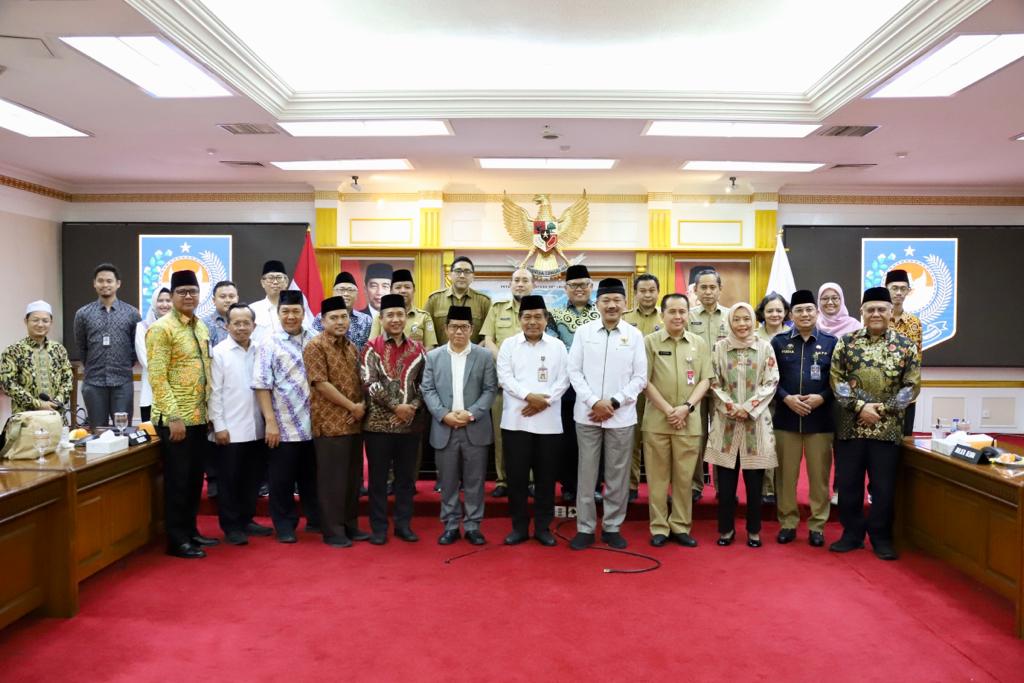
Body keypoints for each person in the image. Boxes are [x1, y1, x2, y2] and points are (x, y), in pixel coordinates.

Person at [829, 287, 920, 561]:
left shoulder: (906, 346)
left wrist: (881, 410)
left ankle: (881, 537)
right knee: (848, 485)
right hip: (850, 427)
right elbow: (836, 380)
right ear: (862, 312)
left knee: (883, 487)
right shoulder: (846, 342)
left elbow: (911, 386)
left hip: (887, 429)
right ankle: (852, 534)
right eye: (871, 309)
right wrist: (860, 407)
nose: (876, 314)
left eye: (881, 309)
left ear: (891, 312)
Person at [567, 278, 647, 551]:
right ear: (597, 303)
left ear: (625, 303)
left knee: (617, 475)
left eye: (617, 300)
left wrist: (613, 403)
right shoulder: (584, 332)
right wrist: (593, 402)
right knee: (586, 474)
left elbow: (640, 377)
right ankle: (585, 528)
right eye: (606, 300)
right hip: (587, 415)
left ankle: (612, 526)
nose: (611, 305)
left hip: (620, 416)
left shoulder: (634, 335)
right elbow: (574, 371)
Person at [146, 270, 217, 559]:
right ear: (172, 295)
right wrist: (173, 416)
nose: (188, 296)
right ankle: (177, 540)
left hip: (199, 416)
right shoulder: (162, 329)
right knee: (177, 481)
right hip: (176, 419)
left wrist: (209, 411)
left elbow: (206, 370)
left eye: (193, 291)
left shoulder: (201, 327)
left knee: (194, 479)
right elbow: (157, 377)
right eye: (182, 292)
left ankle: (191, 530)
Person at [422, 305, 498, 546]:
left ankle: (473, 526)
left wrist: (471, 413)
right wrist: (443, 415)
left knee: (475, 481)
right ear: (445, 329)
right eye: (454, 327)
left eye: (464, 327)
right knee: (447, 481)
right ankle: (451, 525)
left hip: (474, 427)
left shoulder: (483, 356)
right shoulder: (434, 357)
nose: (458, 332)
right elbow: (427, 389)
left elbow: (490, 389)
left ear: (471, 329)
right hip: (445, 427)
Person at [496, 295, 569, 546]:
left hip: (549, 423)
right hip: (516, 421)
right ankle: (518, 527)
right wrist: (529, 397)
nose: (532, 322)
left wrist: (544, 402)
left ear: (546, 319)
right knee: (516, 478)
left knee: (546, 479)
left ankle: (542, 527)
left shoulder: (558, 346)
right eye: (527, 317)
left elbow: (565, 379)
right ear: (519, 319)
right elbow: (505, 378)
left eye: (538, 316)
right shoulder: (509, 345)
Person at [705, 302, 779, 548]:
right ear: (729, 322)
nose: (742, 324)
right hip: (726, 423)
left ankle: (754, 531)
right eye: (736, 319)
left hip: (754, 424)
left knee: (755, 484)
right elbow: (713, 381)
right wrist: (731, 406)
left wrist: (747, 407)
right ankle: (726, 530)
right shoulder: (719, 348)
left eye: (746, 319)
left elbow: (771, 382)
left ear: (753, 320)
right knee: (726, 485)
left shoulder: (765, 347)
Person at [641, 292, 712, 548]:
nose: (678, 316)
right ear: (662, 314)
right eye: (672, 311)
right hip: (657, 422)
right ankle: (659, 527)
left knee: (684, 479)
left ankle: (681, 526)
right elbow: (644, 381)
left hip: (688, 422)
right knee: (657, 479)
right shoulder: (649, 342)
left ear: (688, 314)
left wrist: (686, 408)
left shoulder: (699, 343)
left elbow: (706, 380)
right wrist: (670, 411)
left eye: (683, 311)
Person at [252, 289, 319, 543]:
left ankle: (315, 519)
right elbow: (261, 385)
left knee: (311, 477)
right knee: (281, 480)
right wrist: (270, 421)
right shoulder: (268, 343)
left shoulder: (315, 338)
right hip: (283, 425)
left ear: (303, 313)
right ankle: (285, 525)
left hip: (314, 424)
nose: (291, 316)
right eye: (285, 311)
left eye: (295, 311)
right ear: (278, 313)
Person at [771, 290, 837, 547]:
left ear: (817, 312)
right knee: (785, 477)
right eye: (799, 310)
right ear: (791, 315)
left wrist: (822, 397)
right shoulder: (778, 342)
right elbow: (770, 380)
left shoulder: (831, 342)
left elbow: (839, 381)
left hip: (820, 421)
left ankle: (817, 525)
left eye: (809, 309)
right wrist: (786, 398)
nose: (805, 314)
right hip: (786, 420)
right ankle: (788, 523)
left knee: (819, 477)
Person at [360, 293, 428, 544]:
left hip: (410, 426)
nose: (396, 319)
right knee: (378, 481)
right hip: (378, 427)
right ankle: (379, 528)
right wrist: (396, 407)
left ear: (406, 317)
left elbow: (426, 385)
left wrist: (412, 407)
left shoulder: (418, 349)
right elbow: (369, 382)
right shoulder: (371, 347)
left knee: (406, 480)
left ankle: (403, 525)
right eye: (390, 315)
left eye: (400, 314)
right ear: (381, 318)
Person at [304, 296, 370, 548]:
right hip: (330, 425)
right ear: (323, 321)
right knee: (333, 480)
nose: (340, 322)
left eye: (343, 317)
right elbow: (321, 384)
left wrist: (361, 405)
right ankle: (333, 531)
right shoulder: (315, 346)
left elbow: (359, 381)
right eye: (334, 318)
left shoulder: (351, 346)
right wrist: (352, 406)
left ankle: (350, 525)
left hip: (354, 422)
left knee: (352, 479)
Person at [208, 302, 273, 545]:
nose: (242, 327)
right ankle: (231, 526)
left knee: (252, 479)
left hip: (257, 428)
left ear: (254, 326)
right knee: (229, 481)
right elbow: (214, 393)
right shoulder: (219, 353)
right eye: (236, 323)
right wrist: (219, 426)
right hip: (230, 430)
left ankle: (246, 519)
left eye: (246, 323)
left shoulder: (260, 350)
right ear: (227, 326)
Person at [549, 264, 600, 503]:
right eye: (573, 285)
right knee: (568, 439)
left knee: (595, 439)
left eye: (583, 285)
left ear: (591, 286)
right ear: (565, 288)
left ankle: (595, 486)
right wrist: (578, 359)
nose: (579, 289)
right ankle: (569, 485)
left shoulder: (601, 313)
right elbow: (554, 348)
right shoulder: (554, 314)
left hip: (597, 387)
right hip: (567, 389)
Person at [481, 267, 534, 498]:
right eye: (516, 280)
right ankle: (503, 480)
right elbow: (488, 340)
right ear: (510, 284)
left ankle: (530, 480)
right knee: (501, 434)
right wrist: (506, 364)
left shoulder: (540, 311)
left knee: (531, 433)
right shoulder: (497, 308)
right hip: (502, 385)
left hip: (531, 386)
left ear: (533, 285)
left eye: (525, 280)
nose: (520, 284)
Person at [73, 263, 141, 428]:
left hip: (122, 382)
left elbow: (136, 346)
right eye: (101, 281)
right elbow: (81, 346)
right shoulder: (83, 314)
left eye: (109, 281)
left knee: (123, 430)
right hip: (93, 382)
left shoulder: (132, 313)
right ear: (94, 284)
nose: (105, 284)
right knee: (98, 430)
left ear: (118, 284)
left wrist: (125, 363)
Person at [816, 282, 862, 504]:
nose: (830, 302)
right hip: (817, 396)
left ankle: (839, 490)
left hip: (844, 397)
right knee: (818, 448)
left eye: (835, 297)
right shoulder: (813, 324)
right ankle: (818, 493)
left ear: (841, 299)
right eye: (825, 298)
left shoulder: (854, 326)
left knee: (843, 446)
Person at [688, 268, 729, 502]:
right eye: (703, 287)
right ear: (695, 290)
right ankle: (695, 485)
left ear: (720, 289)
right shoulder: (687, 316)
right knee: (696, 436)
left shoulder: (731, 316)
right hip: (695, 387)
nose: (708, 291)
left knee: (721, 438)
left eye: (712, 287)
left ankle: (723, 487)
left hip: (723, 388)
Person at [623, 272, 663, 502]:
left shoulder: (666, 317)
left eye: (651, 290)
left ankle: (660, 488)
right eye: (643, 291)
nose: (647, 295)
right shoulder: (625, 318)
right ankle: (631, 485)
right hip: (632, 389)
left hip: (660, 388)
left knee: (658, 440)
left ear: (658, 292)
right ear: (635, 293)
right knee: (632, 438)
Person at [0, 300, 73, 417]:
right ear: (26, 321)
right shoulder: (13, 351)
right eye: (35, 320)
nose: (40, 325)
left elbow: (67, 380)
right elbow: (8, 384)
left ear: (51, 322)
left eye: (45, 321)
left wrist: (57, 401)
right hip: (25, 418)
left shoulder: (59, 349)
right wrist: (37, 404)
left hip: (55, 416)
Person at [754, 292, 790, 502]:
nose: (775, 314)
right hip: (761, 399)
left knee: (783, 447)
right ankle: (765, 490)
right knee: (763, 444)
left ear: (785, 312)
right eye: (770, 311)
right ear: (762, 313)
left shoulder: (792, 335)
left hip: (786, 399)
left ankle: (780, 490)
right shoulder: (753, 336)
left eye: (779, 310)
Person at [885, 269, 923, 436]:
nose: (899, 293)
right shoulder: (876, 319)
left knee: (905, 440)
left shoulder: (914, 323)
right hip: (882, 393)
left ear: (908, 291)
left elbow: (917, 359)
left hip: (906, 393)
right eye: (894, 288)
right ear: (887, 289)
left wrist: (908, 390)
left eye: (903, 288)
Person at [424, 256, 492, 345]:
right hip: (441, 353)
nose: (462, 275)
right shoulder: (434, 299)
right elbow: (426, 332)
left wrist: (477, 350)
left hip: (474, 353)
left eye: (467, 272)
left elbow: (490, 335)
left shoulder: (484, 301)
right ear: (450, 275)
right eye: (458, 271)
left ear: (473, 276)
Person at [368, 269, 437, 348]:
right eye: (398, 287)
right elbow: (372, 346)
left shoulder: (424, 317)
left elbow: (430, 348)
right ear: (391, 290)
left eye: (407, 287)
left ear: (414, 290)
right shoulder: (380, 317)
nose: (403, 291)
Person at [134, 288, 171, 422]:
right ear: (154, 302)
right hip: (151, 390)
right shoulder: (142, 327)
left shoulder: (181, 326)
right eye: (160, 300)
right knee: (151, 432)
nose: (164, 304)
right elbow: (144, 358)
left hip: (176, 393)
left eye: (168, 300)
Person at [314, 272, 373, 352]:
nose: (346, 294)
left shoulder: (366, 320)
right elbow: (315, 346)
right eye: (341, 290)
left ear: (356, 294)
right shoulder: (322, 318)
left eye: (350, 290)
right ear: (333, 293)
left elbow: (370, 348)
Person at [251, 259, 313, 337]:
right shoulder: (253, 309)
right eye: (270, 278)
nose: (275, 282)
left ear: (286, 282)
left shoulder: (296, 309)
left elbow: (306, 333)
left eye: (279, 278)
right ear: (263, 283)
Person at [203, 280, 239, 348]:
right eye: (223, 296)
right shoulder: (204, 324)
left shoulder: (244, 322)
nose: (228, 300)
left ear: (237, 299)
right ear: (214, 300)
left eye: (231, 296)